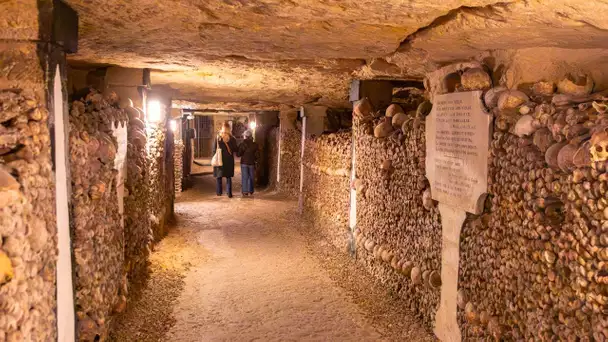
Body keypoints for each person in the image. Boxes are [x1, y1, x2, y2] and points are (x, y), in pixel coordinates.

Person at [213, 123, 238, 198]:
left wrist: (215, 155)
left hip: (220, 159)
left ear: (222, 128)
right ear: (229, 129)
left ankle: (219, 192)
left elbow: (214, 149)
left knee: (219, 177)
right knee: (228, 177)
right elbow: (235, 149)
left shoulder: (218, 138)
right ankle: (229, 193)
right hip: (229, 160)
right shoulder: (232, 139)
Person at [238, 129, 258, 196]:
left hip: (244, 163)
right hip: (252, 163)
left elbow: (238, 154)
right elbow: (257, 155)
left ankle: (245, 191)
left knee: (244, 177)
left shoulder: (242, 144)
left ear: (245, 136)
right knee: (251, 177)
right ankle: (251, 191)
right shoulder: (255, 144)